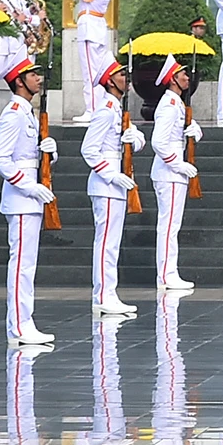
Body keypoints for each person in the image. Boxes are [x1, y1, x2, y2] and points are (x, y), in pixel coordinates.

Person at [0, 51, 56, 347]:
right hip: (20, 198)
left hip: (31, 196)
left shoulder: (26, 112)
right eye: (32, 75)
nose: (38, 79)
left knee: (28, 264)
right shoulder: (13, 113)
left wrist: (48, 155)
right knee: (21, 266)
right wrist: (28, 186)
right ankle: (18, 325)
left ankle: (25, 320)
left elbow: (26, 157)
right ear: (18, 81)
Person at [80, 59, 146, 314]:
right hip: (106, 185)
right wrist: (111, 175)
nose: (125, 78)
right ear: (109, 81)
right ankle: (103, 295)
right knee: (106, 243)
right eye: (120, 75)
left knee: (112, 243)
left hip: (116, 182)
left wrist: (135, 139)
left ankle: (109, 292)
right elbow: (88, 149)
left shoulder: (117, 109)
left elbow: (136, 138)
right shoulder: (106, 110)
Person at [151, 56, 199, 290]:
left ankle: (170, 271)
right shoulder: (169, 105)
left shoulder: (177, 103)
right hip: (169, 173)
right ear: (172, 79)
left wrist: (194, 131)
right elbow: (158, 143)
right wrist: (177, 164)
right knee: (168, 226)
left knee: (173, 226)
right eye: (182, 74)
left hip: (174, 173)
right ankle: (166, 274)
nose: (187, 78)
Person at [55, 0, 115, 124]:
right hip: (97, 29)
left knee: (90, 73)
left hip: (89, 31)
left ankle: (92, 109)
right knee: (96, 71)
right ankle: (97, 107)